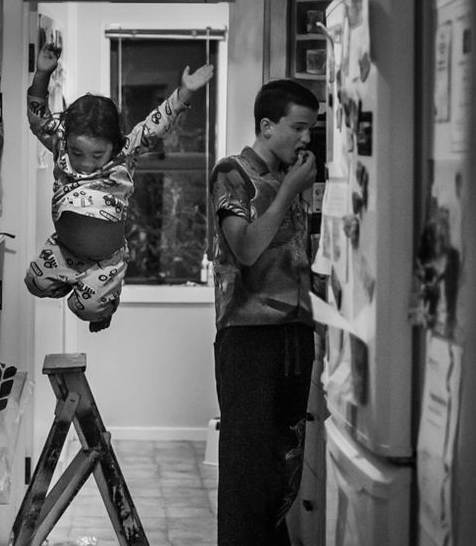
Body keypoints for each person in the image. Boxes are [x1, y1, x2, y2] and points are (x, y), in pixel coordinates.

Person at [24, 43, 214, 332]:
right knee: (34, 283)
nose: (85, 163)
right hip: (64, 248)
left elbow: (155, 125)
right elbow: (39, 120)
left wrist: (184, 93)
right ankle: (72, 283)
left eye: (97, 155)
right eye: (77, 153)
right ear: (67, 142)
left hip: (106, 260)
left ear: (114, 145)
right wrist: (41, 75)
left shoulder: (125, 153)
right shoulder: (60, 145)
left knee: (87, 309)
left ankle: (103, 304)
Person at [209, 78, 320, 545]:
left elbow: (296, 261)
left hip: (295, 335)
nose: (306, 138)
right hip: (248, 338)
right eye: (298, 127)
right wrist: (289, 190)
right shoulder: (232, 172)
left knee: (282, 470)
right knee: (246, 474)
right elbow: (247, 249)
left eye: (311, 129)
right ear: (267, 125)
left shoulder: (290, 178)